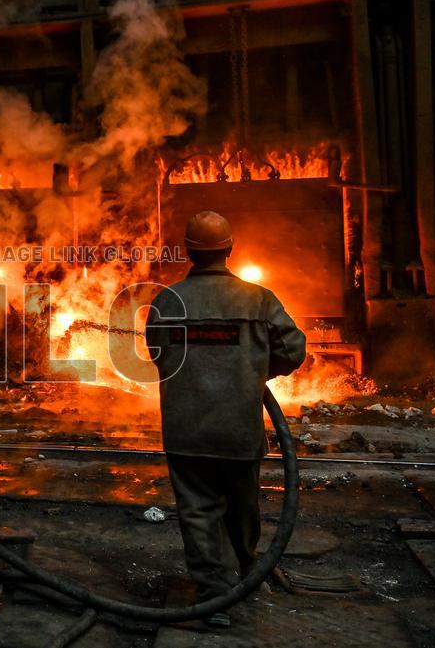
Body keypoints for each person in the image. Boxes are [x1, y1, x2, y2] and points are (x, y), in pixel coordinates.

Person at [144, 210, 306, 629]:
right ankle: (248, 580)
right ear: (230, 250)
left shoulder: (167, 300)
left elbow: (158, 356)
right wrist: (253, 371)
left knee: (197, 510)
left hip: (185, 428)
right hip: (239, 428)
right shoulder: (259, 299)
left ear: (188, 252)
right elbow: (293, 351)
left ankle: (213, 598)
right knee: (243, 506)